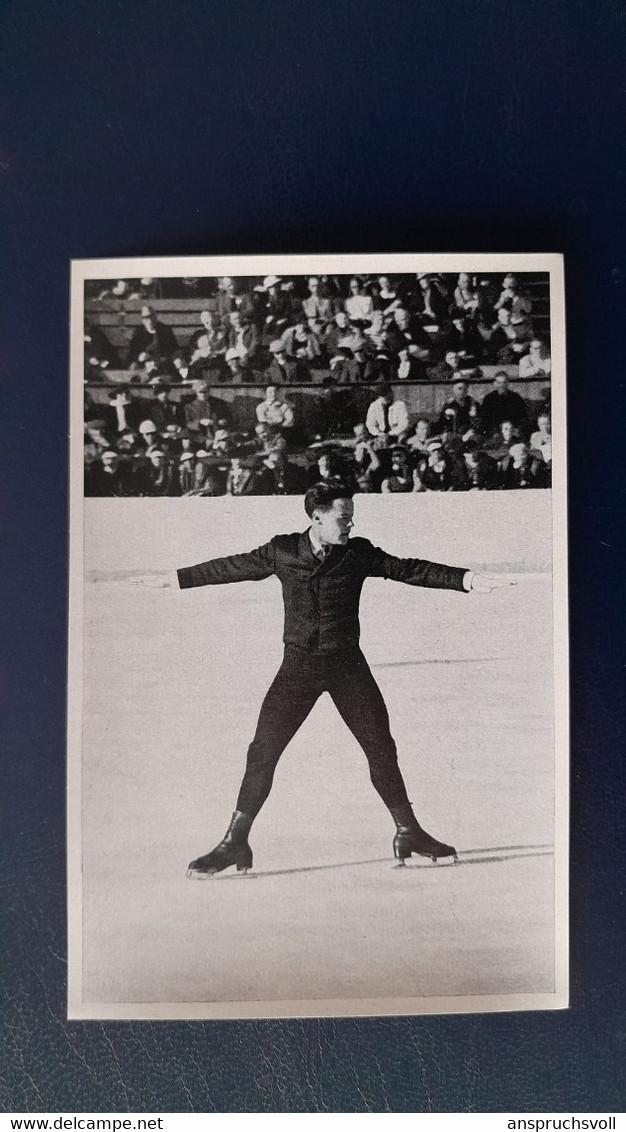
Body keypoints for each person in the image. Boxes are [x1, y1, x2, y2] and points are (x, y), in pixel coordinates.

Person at [132, 482, 514, 876]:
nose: (350, 524)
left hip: (348, 666)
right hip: (297, 668)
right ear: (317, 517)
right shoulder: (282, 550)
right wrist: (177, 578)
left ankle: (408, 831)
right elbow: (231, 566)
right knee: (263, 751)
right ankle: (234, 842)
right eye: (342, 517)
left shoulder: (359, 553)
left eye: (351, 517)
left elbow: (408, 568)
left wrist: (465, 579)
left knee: (380, 747)